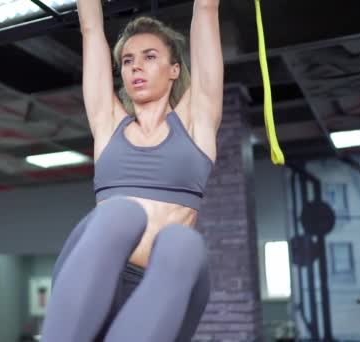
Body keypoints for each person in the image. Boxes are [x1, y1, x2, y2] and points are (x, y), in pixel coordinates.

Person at [40, 0, 223, 341]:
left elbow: (207, 9)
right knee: (122, 215)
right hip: (99, 278)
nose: (136, 66)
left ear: (174, 69)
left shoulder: (197, 121)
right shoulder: (108, 124)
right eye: (127, 60)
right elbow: (90, 28)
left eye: (150, 56)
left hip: (163, 283)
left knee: (183, 244)